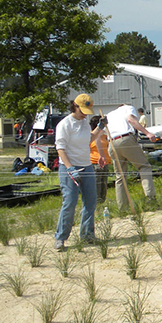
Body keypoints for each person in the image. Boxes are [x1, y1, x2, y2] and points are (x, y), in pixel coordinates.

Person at [54, 94, 105, 251]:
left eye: (86, 111)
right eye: (82, 110)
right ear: (74, 106)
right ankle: (61, 238)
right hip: (69, 167)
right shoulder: (65, 124)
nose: (84, 114)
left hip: (86, 166)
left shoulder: (84, 123)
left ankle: (87, 235)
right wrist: (70, 168)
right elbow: (60, 148)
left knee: (91, 202)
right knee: (70, 202)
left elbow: (89, 139)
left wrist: (100, 127)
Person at [106, 104, 158, 209]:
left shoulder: (110, 114)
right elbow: (130, 119)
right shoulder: (128, 108)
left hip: (111, 143)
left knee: (120, 176)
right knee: (144, 167)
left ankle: (122, 207)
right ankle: (150, 199)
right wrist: (147, 133)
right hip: (125, 139)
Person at [89, 115, 111, 204]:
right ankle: (96, 203)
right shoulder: (91, 136)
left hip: (105, 163)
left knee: (104, 185)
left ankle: (102, 202)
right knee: (96, 185)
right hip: (94, 163)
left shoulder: (105, 136)